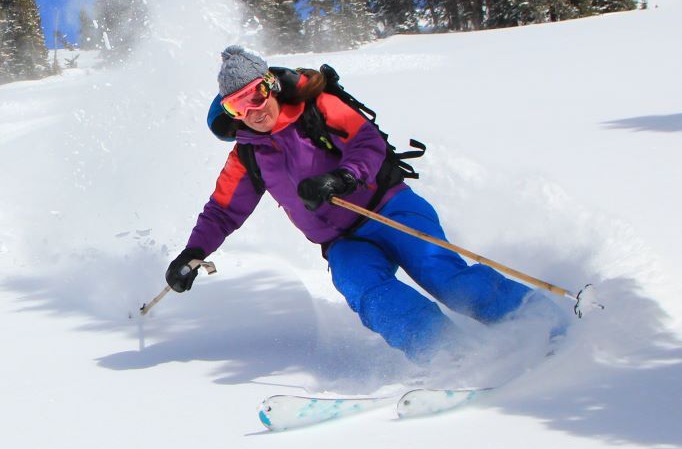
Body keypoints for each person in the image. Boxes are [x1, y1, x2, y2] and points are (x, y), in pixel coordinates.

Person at [166, 45, 554, 363]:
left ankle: (540, 321)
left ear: (271, 85)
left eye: (257, 94)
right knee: (365, 288)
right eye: (238, 106)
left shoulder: (317, 108)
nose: (254, 111)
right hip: (343, 242)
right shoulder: (248, 155)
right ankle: (447, 355)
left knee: (443, 275)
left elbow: (368, 141)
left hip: (387, 206)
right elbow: (223, 210)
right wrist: (193, 252)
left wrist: (344, 177)